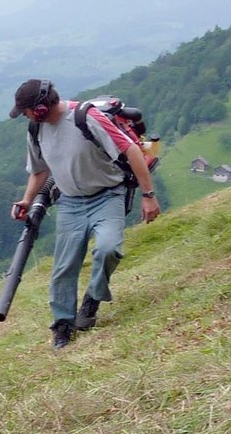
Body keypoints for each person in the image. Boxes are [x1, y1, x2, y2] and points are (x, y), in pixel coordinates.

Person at [9, 79, 160, 349]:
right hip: (70, 202)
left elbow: (132, 150)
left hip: (108, 195)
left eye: (27, 111)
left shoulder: (86, 118)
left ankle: (93, 297)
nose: (25, 117)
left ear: (41, 108)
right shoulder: (36, 130)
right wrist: (26, 199)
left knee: (108, 249)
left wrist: (148, 196)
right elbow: (39, 171)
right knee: (64, 267)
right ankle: (63, 326)